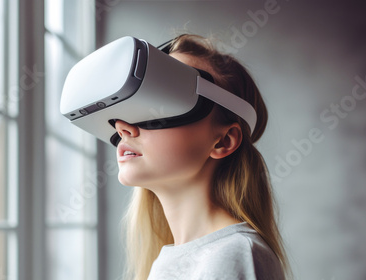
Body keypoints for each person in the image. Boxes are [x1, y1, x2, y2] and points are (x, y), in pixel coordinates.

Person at [116, 34, 291, 280]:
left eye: (162, 100)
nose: (123, 127)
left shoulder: (234, 255)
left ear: (223, 141)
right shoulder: (170, 260)